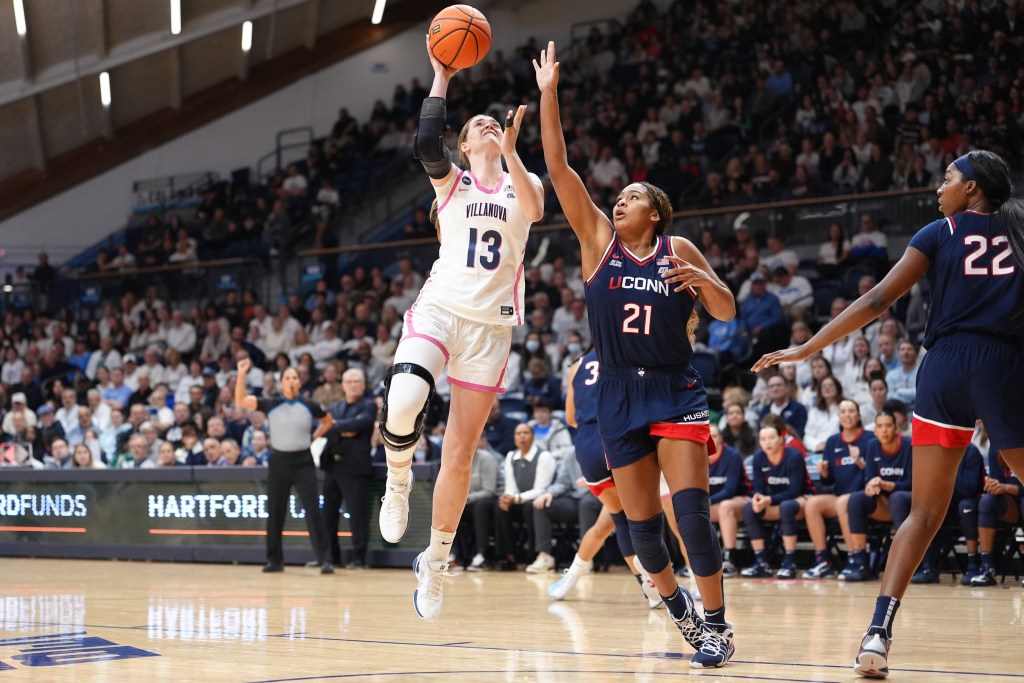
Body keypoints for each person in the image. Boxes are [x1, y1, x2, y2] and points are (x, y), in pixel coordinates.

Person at [754, 151, 1024, 676]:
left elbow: (878, 300)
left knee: (922, 515)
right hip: (1002, 365)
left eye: (948, 179)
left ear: (972, 189)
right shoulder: (1019, 231)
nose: (938, 187)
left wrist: (808, 348)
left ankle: (876, 636)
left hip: (944, 367)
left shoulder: (938, 232)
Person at [536, 41, 736, 668]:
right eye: (616, 197)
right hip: (617, 392)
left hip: (674, 386)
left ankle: (719, 624)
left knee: (693, 517)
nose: (619, 201)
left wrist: (704, 284)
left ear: (656, 212)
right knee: (643, 529)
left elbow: (726, 310)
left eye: (632, 197)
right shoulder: (597, 243)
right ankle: (684, 620)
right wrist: (549, 95)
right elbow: (560, 168)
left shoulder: (680, 249)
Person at [375, 36, 544, 622]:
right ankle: (398, 477)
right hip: (442, 309)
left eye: (493, 122)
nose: (487, 126)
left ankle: (437, 558)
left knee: (459, 455)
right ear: (465, 144)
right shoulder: (452, 184)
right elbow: (425, 141)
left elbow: (539, 210)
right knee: (404, 399)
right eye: (477, 125)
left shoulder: (525, 186)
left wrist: (518, 152)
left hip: (491, 332)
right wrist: (441, 77)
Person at [545, 351, 661, 608]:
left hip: (586, 447)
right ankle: (653, 579)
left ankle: (572, 578)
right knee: (643, 518)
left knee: (614, 520)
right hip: (617, 439)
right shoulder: (624, 355)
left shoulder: (576, 366)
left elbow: (570, 418)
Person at [234, 355, 335, 574]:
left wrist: (315, 437)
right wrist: (242, 373)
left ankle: (325, 559)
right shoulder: (271, 404)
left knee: (313, 511)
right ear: (281, 383)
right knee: (275, 512)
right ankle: (274, 560)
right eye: (287, 377)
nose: (291, 380)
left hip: (303, 462)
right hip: (279, 462)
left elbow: (328, 420)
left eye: (294, 377)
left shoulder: (310, 405)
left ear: (299, 382)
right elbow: (241, 400)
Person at [837, 409, 913, 583]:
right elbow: (869, 477)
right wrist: (871, 486)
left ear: (896, 428)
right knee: (856, 499)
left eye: (888, 426)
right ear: (875, 430)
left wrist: (889, 485)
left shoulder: (908, 445)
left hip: (907, 503)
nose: (884, 430)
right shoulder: (872, 445)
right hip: (884, 502)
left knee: (897, 498)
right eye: (880, 426)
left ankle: (909, 563)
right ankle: (860, 563)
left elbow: (913, 482)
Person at [802, 400, 874, 579]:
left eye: (851, 411)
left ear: (858, 415)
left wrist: (860, 462)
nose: (847, 415)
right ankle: (822, 561)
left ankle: (854, 560)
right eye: (843, 412)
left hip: (864, 496)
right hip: (840, 495)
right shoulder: (832, 441)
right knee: (812, 504)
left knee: (844, 502)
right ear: (839, 417)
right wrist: (824, 473)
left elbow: (874, 473)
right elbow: (828, 482)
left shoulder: (870, 439)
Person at [739, 422, 814, 578]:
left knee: (786, 507)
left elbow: (794, 490)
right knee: (749, 509)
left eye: (772, 437)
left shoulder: (794, 456)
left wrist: (769, 499)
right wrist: (758, 498)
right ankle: (761, 562)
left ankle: (789, 561)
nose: (768, 442)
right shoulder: (758, 458)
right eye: (763, 439)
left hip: (801, 498)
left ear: (781, 438)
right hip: (772, 501)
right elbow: (758, 487)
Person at [322, 369, 377, 568]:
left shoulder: (368, 405)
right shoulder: (335, 407)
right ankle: (330, 557)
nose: (353, 385)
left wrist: (336, 426)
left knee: (357, 515)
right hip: (332, 466)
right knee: (328, 515)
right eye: (350, 381)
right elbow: (324, 428)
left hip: (354, 468)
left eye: (357, 381)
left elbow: (362, 423)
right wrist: (344, 429)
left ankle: (359, 558)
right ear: (343, 385)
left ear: (363, 385)